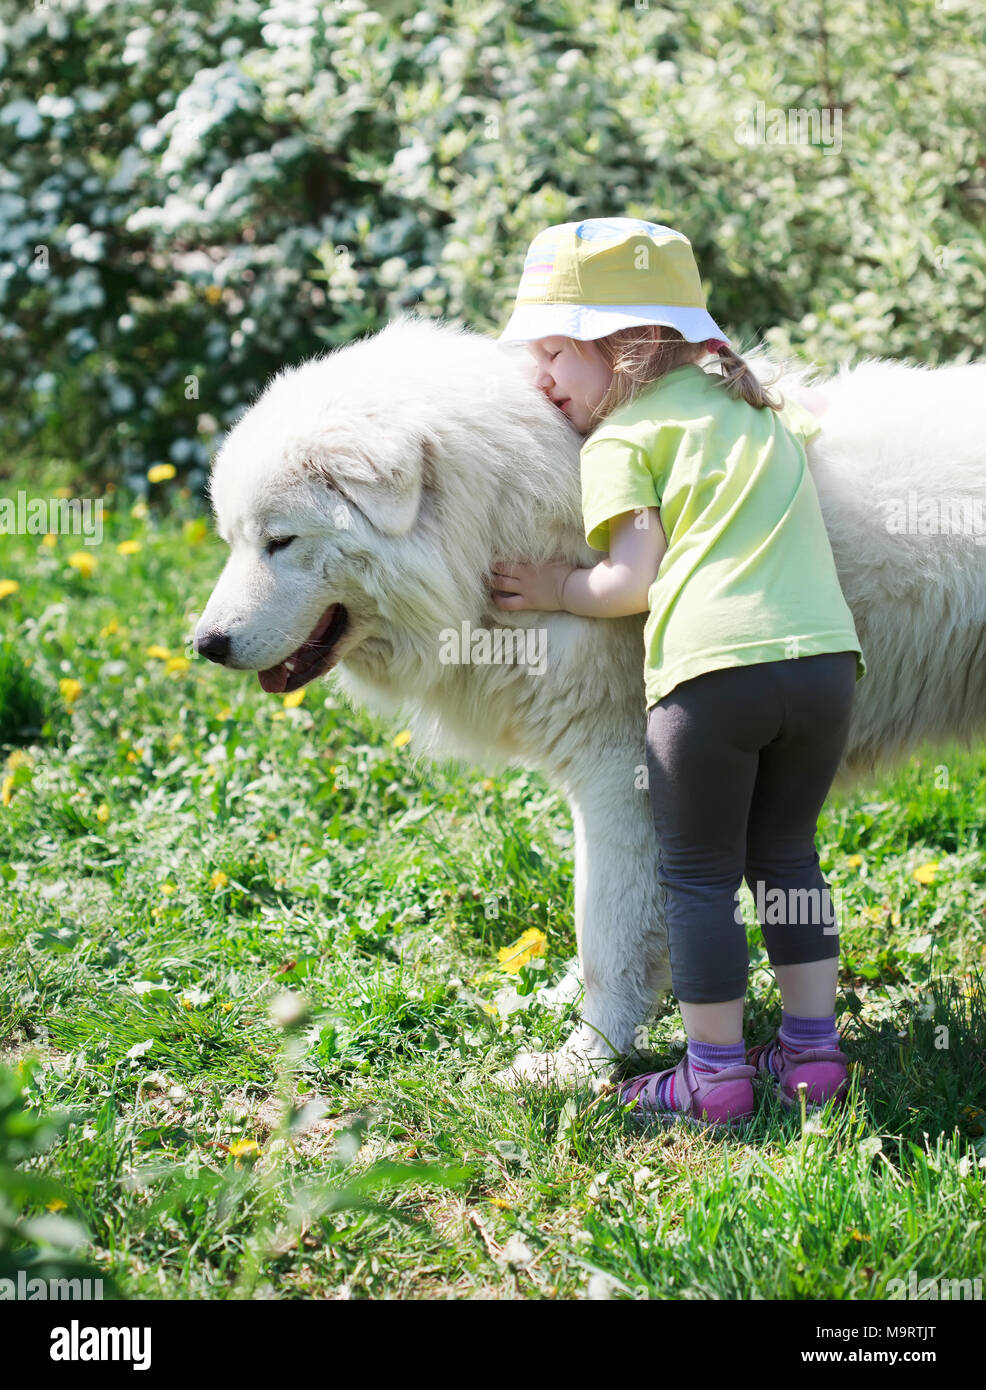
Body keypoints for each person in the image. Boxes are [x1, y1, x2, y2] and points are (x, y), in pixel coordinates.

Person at [490, 217, 867, 1129]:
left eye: (553, 353)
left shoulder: (619, 441)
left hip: (712, 678)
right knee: (787, 858)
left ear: (615, 349)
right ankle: (814, 1057)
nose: (540, 380)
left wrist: (554, 586)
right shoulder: (759, 408)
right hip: (823, 669)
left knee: (698, 876)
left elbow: (632, 584)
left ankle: (715, 1075)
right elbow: (805, 425)